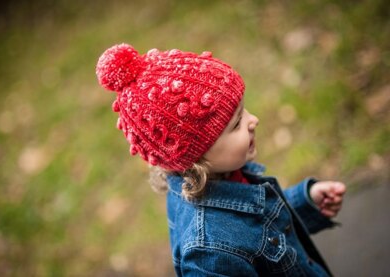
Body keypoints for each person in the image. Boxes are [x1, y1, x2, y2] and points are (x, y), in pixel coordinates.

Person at [96, 43, 346, 276]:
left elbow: (261, 229)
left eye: (243, 109)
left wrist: (305, 202)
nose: (253, 119)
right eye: (236, 123)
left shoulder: (220, 175)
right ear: (196, 159)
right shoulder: (209, 253)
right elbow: (246, 237)